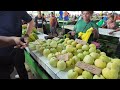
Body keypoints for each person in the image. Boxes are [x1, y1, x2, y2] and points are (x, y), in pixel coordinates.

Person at [0, 11, 34, 79]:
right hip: (2, 51)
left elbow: (31, 22)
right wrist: (12, 39)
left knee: (22, 71)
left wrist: (26, 36)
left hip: (17, 47)